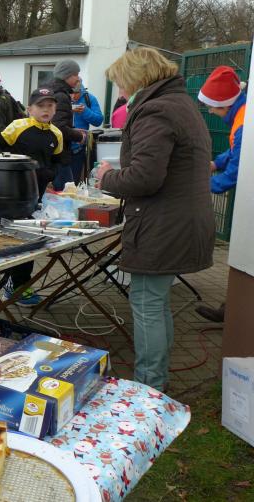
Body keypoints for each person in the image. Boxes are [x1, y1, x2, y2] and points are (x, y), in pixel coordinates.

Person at [97, 47, 215, 392]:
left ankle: (148, 388)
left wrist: (106, 178)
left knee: (147, 303)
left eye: (121, 84)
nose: (121, 93)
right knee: (157, 302)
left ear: (136, 79)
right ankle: (156, 380)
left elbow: (144, 178)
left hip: (163, 224)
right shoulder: (180, 104)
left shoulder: (156, 110)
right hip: (180, 219)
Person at [0, 87, 65, 306]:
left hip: (36, 197)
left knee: (30, 242)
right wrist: (13, 166)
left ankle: (18, 285)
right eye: (41, 106)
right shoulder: (17, 126)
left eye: (50, 106)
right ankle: (15, 285)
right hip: (11, 195)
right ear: (29, 109)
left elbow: (58, 160)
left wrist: (51, 173)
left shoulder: (57, 134)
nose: (46, 110)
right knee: (15, 242)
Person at [194, 65, 247, 323]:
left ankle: (235, 313)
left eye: (212, 107)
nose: (211, 112)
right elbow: (236, 151)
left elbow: (239, 167)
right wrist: (216, 163)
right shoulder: (242, 115)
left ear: (225, 104)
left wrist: (205, 186)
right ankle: (232, 308)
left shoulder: (244, 122)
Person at [44, 59, 87, 188]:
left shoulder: (49, 90)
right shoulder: (61, 96)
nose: (78, 78)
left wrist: (72, 129)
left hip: (48, 153)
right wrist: (79, 136)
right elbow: (58, 127)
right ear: (67, 75)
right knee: (66, 192)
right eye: (76, 74)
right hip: (59, 155)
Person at [68, 79, 104, 183]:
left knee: (73, 182)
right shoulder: (61, 98)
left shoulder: (89, 99)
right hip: (61, 148)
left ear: (81, 90)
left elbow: (98, 120)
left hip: (78, 148)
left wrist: (85, 111)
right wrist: (68, 109)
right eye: (71, 93)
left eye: (76, 93)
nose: (73, 96)